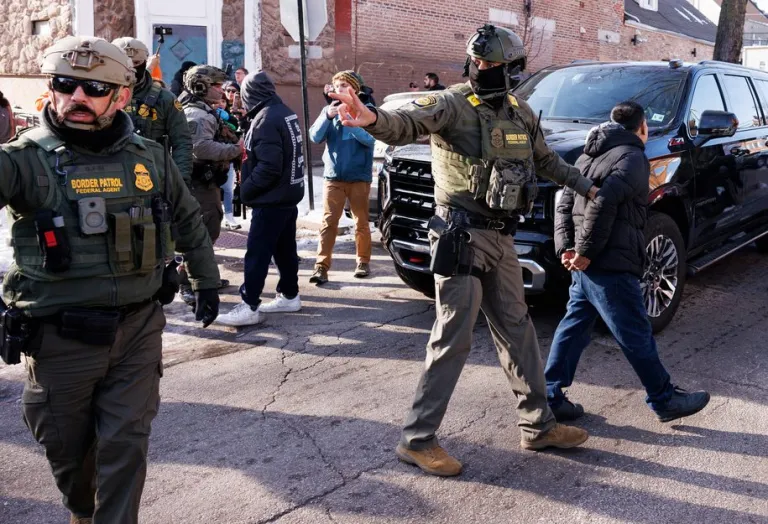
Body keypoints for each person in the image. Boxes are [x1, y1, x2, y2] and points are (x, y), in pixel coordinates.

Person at [330, 24, 597, 477]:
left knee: (518, 329)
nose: (483, 70)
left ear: (513, 70)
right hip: (460, 236)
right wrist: (371, 119)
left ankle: (538, 425)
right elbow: (405, 124)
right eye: (478, 62)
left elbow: (546, 161)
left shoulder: (520, 112)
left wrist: (591, 187)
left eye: (493, 64)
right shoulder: (451, 103)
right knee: (453, 336)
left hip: (501, 239)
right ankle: (417, 439)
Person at [0, 36, 220, 523]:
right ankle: (82, 509)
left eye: (95, 88)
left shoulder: (149, 158)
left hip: (138, 330)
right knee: (68, 456)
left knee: (126, 445)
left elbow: (187, 222)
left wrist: (206, 282)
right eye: (66, 84)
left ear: (121, 96)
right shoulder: (23, 159)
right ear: (51, 90)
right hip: (60, 339)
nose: (79, 97)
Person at [544, 101, 710, 423]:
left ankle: (550, 396)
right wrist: (586, 252)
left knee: (574, 328)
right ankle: (664, 399)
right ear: (642, 127)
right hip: (610, 263)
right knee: (635, 333)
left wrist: (567, 247)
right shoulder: (634, 158)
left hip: (586, 266)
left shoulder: (586, 155)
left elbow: (565, 201)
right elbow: (603, 205)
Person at [216, 71, 305, 327]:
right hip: (287, 195)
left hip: (272, 198)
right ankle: (289, 294)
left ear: (250, 94)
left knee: (257, 253)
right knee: (285, 249)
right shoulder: (282, 111)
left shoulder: (267, 119)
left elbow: (269, 166)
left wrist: (246, 191)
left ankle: (250, 304)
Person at [179, 64, 243, 304]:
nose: (221, 90)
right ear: (200, 86)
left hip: (207, 183)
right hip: (198, 184)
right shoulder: (197, 114)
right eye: (216, 85)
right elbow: (200, 148)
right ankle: (187, 283)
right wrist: (235, 150)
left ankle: (205, 278)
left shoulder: (206, 110)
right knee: (201, 233)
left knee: (209, 231)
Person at [308, 70, 375, 285]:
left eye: (345, 85)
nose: (340, 89)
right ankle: (321, 267)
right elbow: (315, 136)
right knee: (329, 222)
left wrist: (349, 121)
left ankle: (363, 262)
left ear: (355, 89)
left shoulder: (367, 111)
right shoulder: (329, 111)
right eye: (337, 86)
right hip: (334, 177)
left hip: (358, 178)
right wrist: (328, 116)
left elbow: (370, 141)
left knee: (361, 223)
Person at [112, 37, 194, 184]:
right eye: (125, 63)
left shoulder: (165, 99)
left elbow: (182, 142)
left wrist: (180, 184)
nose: (131, 68)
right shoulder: (99, 94)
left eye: (136, 63)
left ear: (144, 62)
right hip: (111, 177)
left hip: (154, 178)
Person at [221, 80, 245, 230]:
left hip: (229, 156)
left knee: (229, 188)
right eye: (227, 91)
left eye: (233, 91)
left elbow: (237, 129)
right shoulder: (209, 113)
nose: (230, 95)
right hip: (212, 157)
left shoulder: (231, 115)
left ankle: (229, 217)